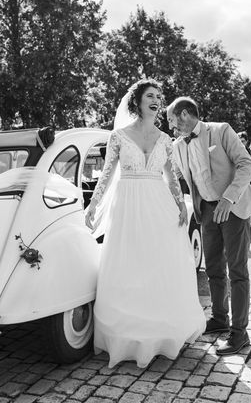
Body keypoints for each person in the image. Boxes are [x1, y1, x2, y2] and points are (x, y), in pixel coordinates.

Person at [84, 79, 205, 368]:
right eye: (150, 95)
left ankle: (161, 332)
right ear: (137, 101)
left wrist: (179, 204)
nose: (156, 100)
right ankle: (127, 334)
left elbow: (171, 177)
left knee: (160, 264)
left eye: (159, 97)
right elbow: (106, 174)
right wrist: (93, 203)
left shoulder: (165, 139)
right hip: (127, 205)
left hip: (158, 205)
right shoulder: (118, 137)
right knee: (129, 264)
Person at [167, 97, 251, 356]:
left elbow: (246, 164)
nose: (172, 128)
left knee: (237, 269)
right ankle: (219, 318)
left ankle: (240, 333)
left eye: (173, 121)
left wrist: (228, 198)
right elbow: (173, 176)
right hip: (206, 210)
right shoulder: (178, 145)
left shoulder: (221, 130)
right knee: (214, 268)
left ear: (185, 115)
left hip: (233, 208)